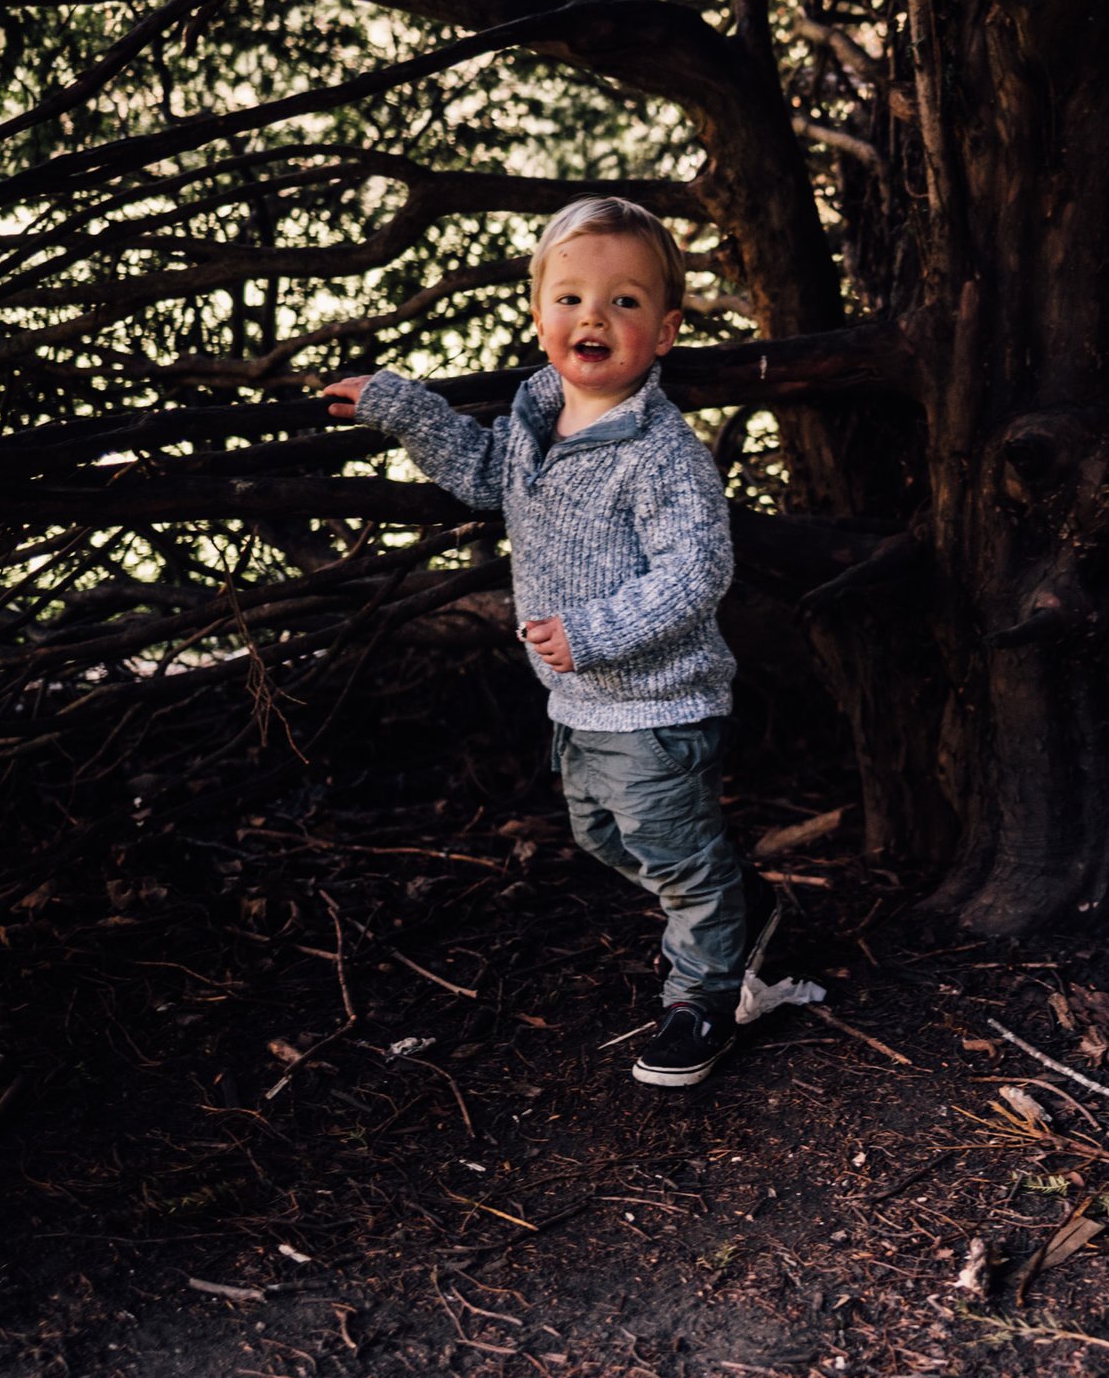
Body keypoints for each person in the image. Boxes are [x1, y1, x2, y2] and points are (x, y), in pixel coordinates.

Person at [323, 196, 772, 1089]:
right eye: (570, 298)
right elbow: (484, 474)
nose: (593, 317)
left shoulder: (661, 453)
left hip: (657, 700)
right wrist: (400, 406)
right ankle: (736, 907)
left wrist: (593, 631)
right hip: (576, 699)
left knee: (674, 855)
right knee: (604, 834)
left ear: (668, 329)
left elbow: (696, 573)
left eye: (626, 301)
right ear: (539, 315)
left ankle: (703, 998)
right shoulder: (536, 414)